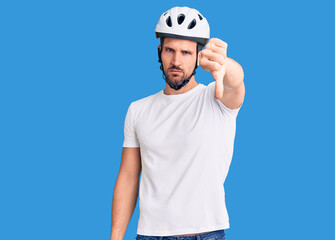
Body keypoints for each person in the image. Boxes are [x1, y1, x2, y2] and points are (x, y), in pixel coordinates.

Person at [110, 6, 245, 240]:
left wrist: (226, 65)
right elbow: (129, 176)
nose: (176, 61)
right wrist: (115, 237)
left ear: (199, 56)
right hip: (150, 235)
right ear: (159, 52)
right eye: (170, 50)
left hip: (206, 234)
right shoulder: (138, 109)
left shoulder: (217, 99)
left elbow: (236, 82)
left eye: (185, 52)